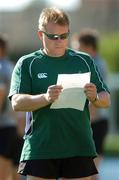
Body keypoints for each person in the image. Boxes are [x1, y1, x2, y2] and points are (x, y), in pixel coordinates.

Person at [8, 7, 111, 180]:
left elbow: (105, 99)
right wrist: (46, 98)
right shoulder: (27, 63)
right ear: (41, 35)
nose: (59, 41)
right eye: (53, 37)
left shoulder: (84, 60)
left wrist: (94, 97)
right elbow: (17, 102)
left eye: (64, 36)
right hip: (40, 149)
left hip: (79, 147)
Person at [77, 28, 109, 180]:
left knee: (91, 172)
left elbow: (97, 98)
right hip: (94, 122)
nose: (75, 49)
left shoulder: (96, 65)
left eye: (78, 46)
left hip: (95, 123)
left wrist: (84, 126)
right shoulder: (94, 63)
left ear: (89, 47)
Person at [0, 35, 24, 180]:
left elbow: (1, 91)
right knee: (14, 177)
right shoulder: (13, 67)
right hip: (15, 129)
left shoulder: (1, 67)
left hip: (2, 128)